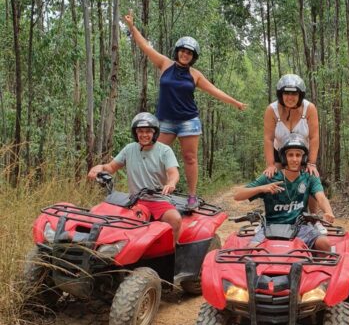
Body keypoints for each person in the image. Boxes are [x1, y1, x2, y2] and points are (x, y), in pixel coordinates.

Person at [123, 12, 247, 210]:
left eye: (189, 53)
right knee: (154, 154)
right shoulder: (165, 64)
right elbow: (145, 46)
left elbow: (215, 90)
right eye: (182, 51)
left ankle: (191, 196)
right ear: (177, 51)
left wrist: (236, 103)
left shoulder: (195, 75)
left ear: (193, 57)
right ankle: (153, 192)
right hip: (164, 121)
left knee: (190, 158)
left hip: (188, 121)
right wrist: (132, 26)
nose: (185, 54)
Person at [87, 113, 182, 243]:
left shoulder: (164, 151)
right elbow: (111, 167)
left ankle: (173, 253)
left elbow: (173, 173)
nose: (144, 135)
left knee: (175, 219)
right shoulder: (129, 149)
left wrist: (171, 183)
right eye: (140, 131)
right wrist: (100, 167)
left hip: (157, 199)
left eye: (148, 131)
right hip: (134, 200)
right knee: (103, 218)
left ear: (155, 133)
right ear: (135, 133)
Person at [234, 134, 334, 251]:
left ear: (304, 157)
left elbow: (321, 197)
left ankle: (312, 268)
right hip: (271, 227)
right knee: (251, 250)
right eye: (290, 155)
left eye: (298, 155)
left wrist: (328, 212)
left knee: (324, 244)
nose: (294, 159)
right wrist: (262, 188)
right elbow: (237, 195)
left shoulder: (309, 177)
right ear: (284, 157)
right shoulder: (270, 177)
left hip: (300, 227)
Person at [263, 74, 319, 178]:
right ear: (281, 94)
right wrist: (270, 165)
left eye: (294, 94)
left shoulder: (309, 108)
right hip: (279, 154)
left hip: (302, 154)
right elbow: (268, 139)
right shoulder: (271, 110)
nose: (290, 97)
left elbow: (314, 137)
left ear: (300, 95)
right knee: (272, 181)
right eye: (286, 93)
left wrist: (311, 163)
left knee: (310, 182)